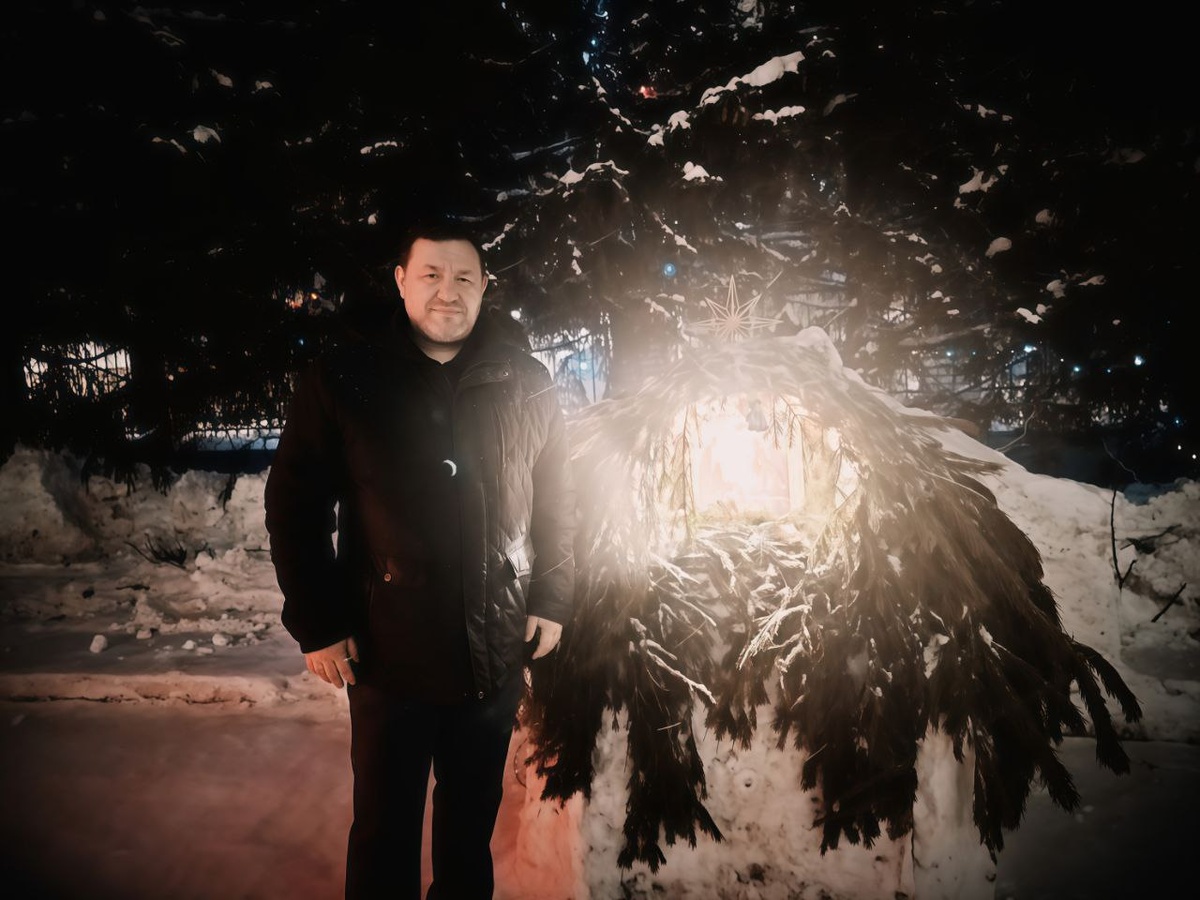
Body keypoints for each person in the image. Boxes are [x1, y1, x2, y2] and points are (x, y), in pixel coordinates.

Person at [263, 221, 576, 899]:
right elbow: (295, 506)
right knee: (385, 834)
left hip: (492, 651)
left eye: (464, 277)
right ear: (401, 280)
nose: (447, 291)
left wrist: (551, 596)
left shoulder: (526, 381)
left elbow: (558, 497)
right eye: (431, 274)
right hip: (387, 655)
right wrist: (318, 624)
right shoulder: (345, 377)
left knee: (468, 836)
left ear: (485, 286)